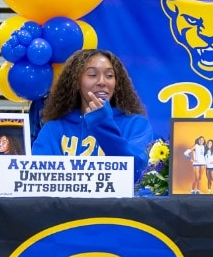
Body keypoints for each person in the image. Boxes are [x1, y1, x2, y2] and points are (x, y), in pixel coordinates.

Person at [32, 48, 154, 181]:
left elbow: (135, 173)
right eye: (92, 75)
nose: (102, 82)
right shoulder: (53, 129)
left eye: (109, 76)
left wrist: (101, 125)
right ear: (77, 83)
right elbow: (39, 177)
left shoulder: (136, 124)